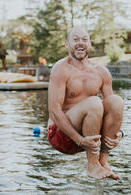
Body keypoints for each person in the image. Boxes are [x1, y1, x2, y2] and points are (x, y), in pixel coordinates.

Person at [47, 26, 124, 180]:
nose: (80, 43)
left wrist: (120, 134)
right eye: (75, 39)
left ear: (90, 44)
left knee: (117, 101)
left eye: (84, 39)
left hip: (91, 135)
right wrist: (80, 140)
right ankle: (92, 165)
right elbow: (54, 111)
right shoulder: (60, 69)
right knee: (94, 102)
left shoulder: (101, 72)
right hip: (62, 136)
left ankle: (103, 163)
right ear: (66, 44)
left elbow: (112, 111)